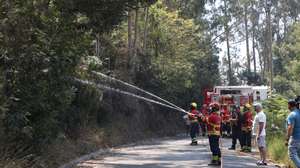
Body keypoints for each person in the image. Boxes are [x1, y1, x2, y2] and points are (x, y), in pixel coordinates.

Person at [286, 99, 300, 167]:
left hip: (295, 138)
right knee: (298, 154)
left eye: (287, 105)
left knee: (292, 154)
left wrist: (287, 139)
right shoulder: (298, 112)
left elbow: (290, 127)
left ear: (289, 105)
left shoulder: (292, 114)